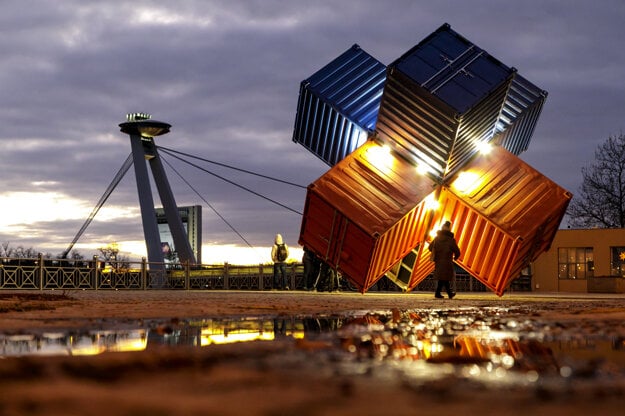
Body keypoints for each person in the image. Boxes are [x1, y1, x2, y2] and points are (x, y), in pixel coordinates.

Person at [428, 221, 461, 299]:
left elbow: (430, 248)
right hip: (447, 261)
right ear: (449, 229)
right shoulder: (451, 240)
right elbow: (457, 251)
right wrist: (455, 257)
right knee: (444, 277)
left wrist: (436, 252)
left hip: (438, 261)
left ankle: (441, 293)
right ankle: (448, 293)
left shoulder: (436, 238)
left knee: (442, 278)